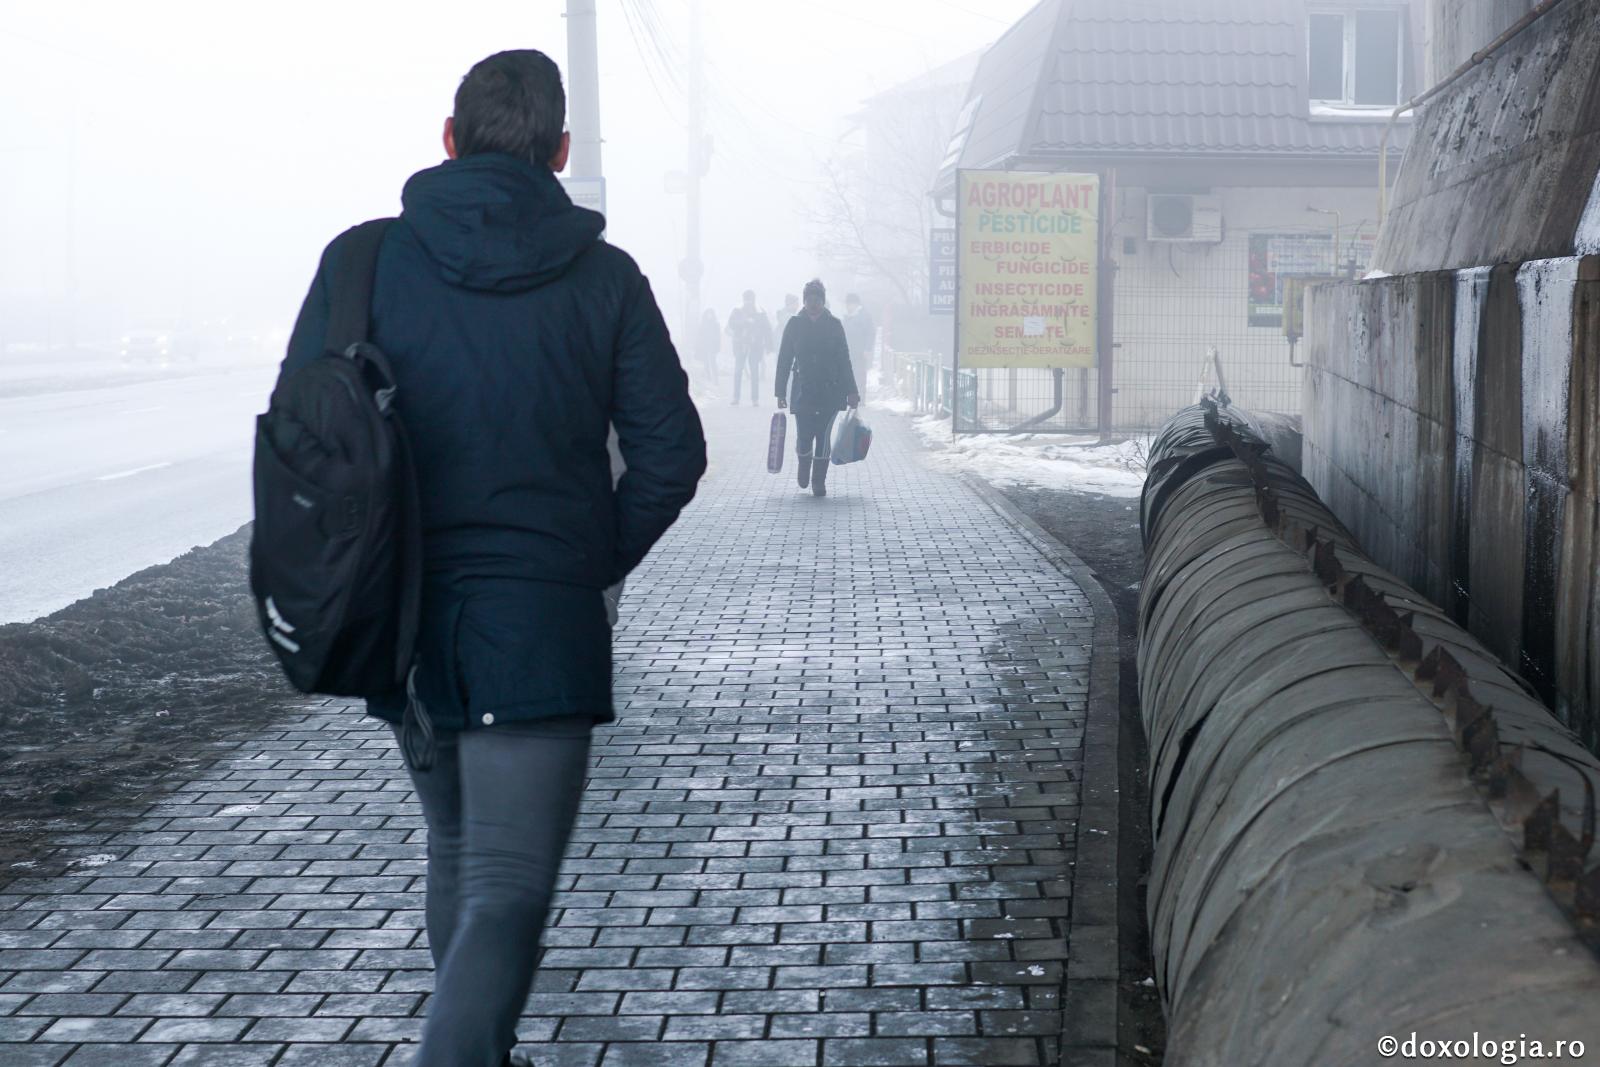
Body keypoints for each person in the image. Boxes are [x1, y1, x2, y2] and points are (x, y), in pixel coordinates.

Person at [277, 49, 706, 1067]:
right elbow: (671, 454)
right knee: (508, 887)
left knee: (461, 851)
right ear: (559, 151)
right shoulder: (605, 280)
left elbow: (301, 432)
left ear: (448, 137)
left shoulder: (361, 262)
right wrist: (589, 559)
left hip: (400, 622)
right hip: (538, 627)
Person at [775, 278, 859, 497]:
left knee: (823, 436)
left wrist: (852, 391)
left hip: (830, 391)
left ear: (823, 301)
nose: (813, 304)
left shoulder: (834, 325)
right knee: (804, 436)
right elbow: (784, 359)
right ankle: (804, 463)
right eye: (810, 299)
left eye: (817, 300)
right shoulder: (794, 324)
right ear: (804, 301)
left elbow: (844, 360)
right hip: (803, 391)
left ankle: (819, 481)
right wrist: (780, 392)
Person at [726, 288, 772, 405]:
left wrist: (769, 345)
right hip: (740, 345)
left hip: (755, 346)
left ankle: (754, 399)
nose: (748, 302)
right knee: (738, 371)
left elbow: (767, 329)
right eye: (746, 299)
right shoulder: (737, 311)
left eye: (750, 299)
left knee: (754, 372)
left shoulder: (760, 312)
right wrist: (744, 322)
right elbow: (731, 324)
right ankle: (736, 397)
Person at [842, 292, 876, 394]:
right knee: (850, 375)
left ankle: (859, 398)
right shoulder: (848, 317)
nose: (847, 307)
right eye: (847, 304)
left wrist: (867, 348)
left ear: (855, 304)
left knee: (859, 375)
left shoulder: (864, 316)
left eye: (849, 304)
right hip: (849, 351)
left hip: (860, 352)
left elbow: (871, 333)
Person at [695, 306, 721, 387]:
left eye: (711, 314)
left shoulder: (716, 324)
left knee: (713, 363)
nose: (709, 316)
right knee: (706, 362)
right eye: (708, 314)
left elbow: (718, 337)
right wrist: (699, 346)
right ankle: (708, 377)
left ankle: (715, 379)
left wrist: (718, 346)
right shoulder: (702, 324)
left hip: (713, 346)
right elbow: (700, 336)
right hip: (704, 346)